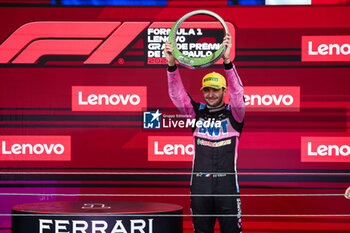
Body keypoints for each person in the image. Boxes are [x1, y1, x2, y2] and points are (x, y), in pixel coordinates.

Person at [164, 33, 245, 233]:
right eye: (207, 90)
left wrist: (227, 62)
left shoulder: (234, 115)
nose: (210, 94)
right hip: (200, 190)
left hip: (227, 190)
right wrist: (172, 66)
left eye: (216, 90)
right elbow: (177, 95)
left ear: (223, 91)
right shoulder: (196, 112)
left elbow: (238, 94)